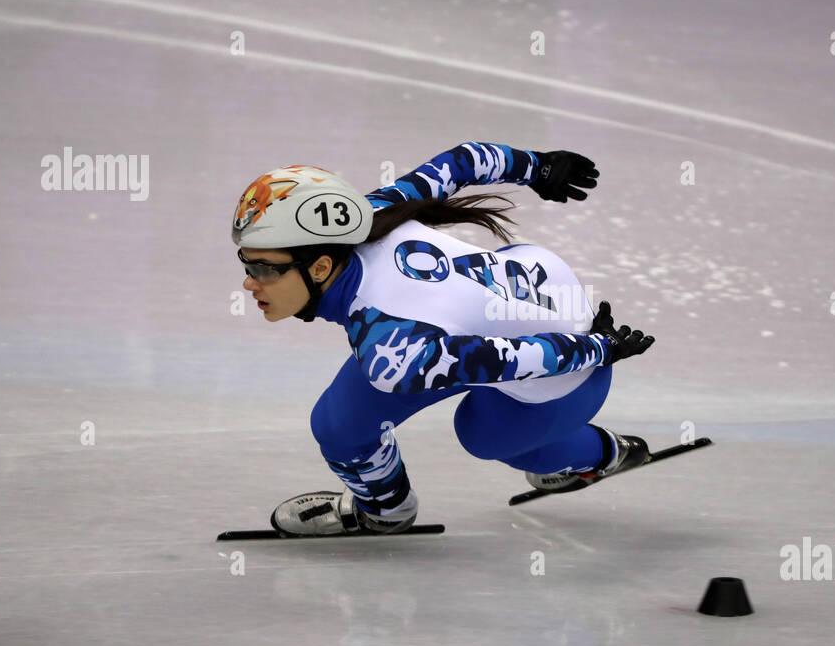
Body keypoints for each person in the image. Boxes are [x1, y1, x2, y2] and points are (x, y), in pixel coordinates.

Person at [232, 142, 656, 535]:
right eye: (246, 264)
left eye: (264, 268)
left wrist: (598, 349)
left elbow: (507, 358)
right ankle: (388, 508)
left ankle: (601, 453)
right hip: (513, 300)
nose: (250, 284)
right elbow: (463, 161)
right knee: (338, 425)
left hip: (563, 372)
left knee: (487, 437)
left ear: (321, 267)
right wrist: (539, 166)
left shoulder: (390, 348)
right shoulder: (373, 213)